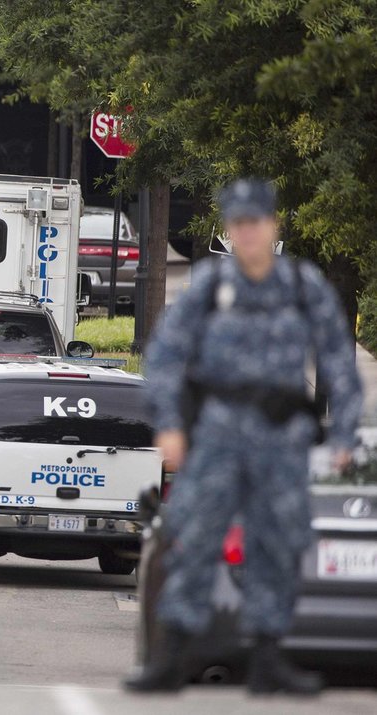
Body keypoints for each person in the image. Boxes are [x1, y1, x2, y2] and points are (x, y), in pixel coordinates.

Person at [125, 178, 362, 695]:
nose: (247, 234)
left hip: (282, 438)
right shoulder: (211, 287)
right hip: (218, 435)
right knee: (192, 538)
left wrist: (343, 433)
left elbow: (339, 360)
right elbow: (164, 355)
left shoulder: (303, 285)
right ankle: (170, 657)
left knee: (276, 544)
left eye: (255, 223)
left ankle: (268, 657)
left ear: (272, 225)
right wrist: (167, 423)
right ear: (229, 230)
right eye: (237, 225)